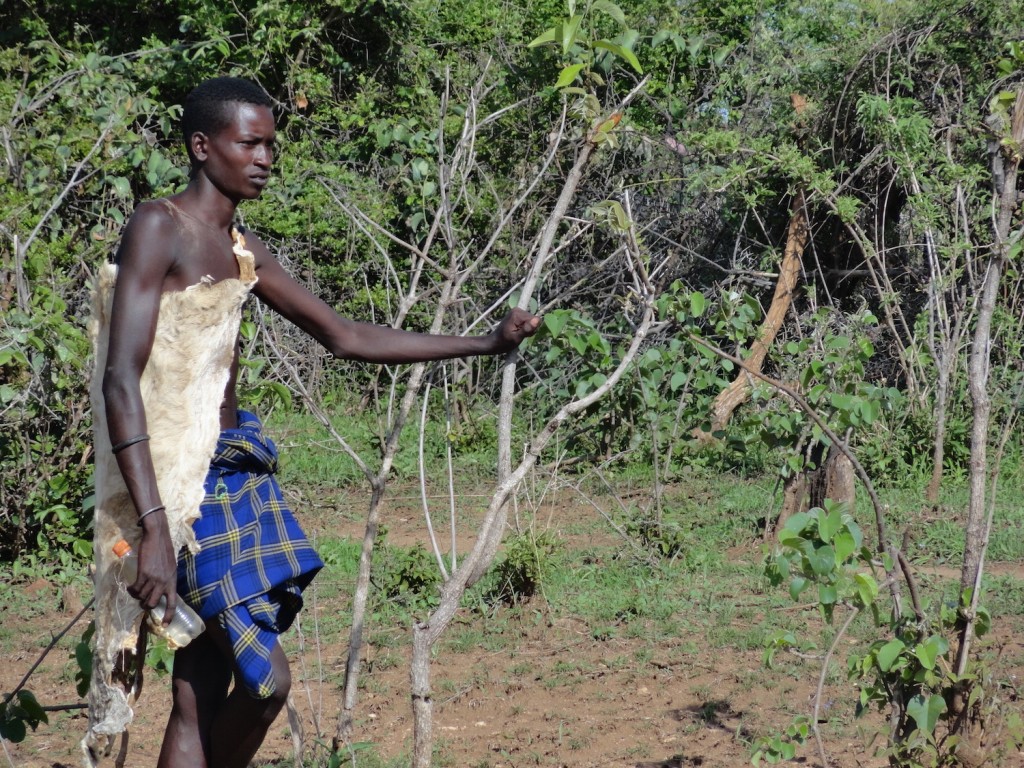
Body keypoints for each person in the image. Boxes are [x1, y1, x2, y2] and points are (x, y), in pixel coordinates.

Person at [85, 76, 539, 768]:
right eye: (251, 143)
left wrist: (485, 343)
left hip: (232, 470)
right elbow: (122, 376)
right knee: (266, 681)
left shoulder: (239, 245)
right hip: (175, 487)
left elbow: (345, 335)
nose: (266, 157)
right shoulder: (160, 226)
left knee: (201, 687)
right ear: (203, 147)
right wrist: (153, 527)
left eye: (271, 143)